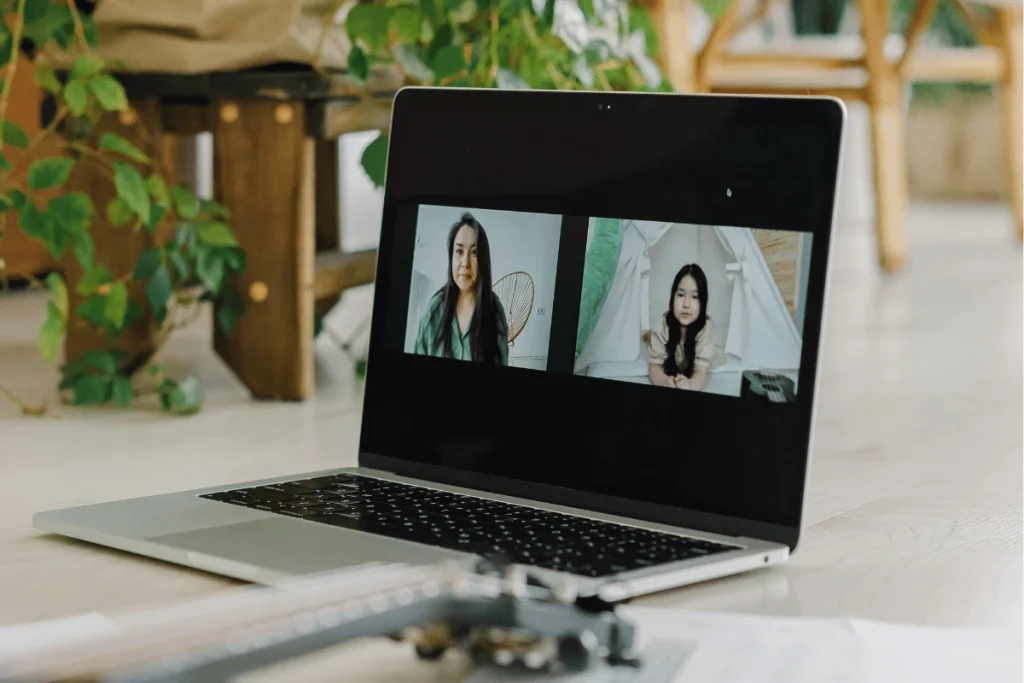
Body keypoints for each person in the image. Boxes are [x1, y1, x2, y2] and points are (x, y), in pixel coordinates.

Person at [413, 212, 510, 365]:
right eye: (459, 251)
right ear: (451, 257)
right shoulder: (434, 309)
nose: (465, 263)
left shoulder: (495, 311)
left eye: (474, 252)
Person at [647, 263, 715, 390]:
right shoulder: (662, 326)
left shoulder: (704, 331)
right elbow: (654, 366)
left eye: (695, 297)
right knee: (649, 337)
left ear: (703, 302)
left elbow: (700, 372)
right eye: (680, 294)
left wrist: (690, 385)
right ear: (672, 297)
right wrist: (664, 381)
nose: (686, 304)